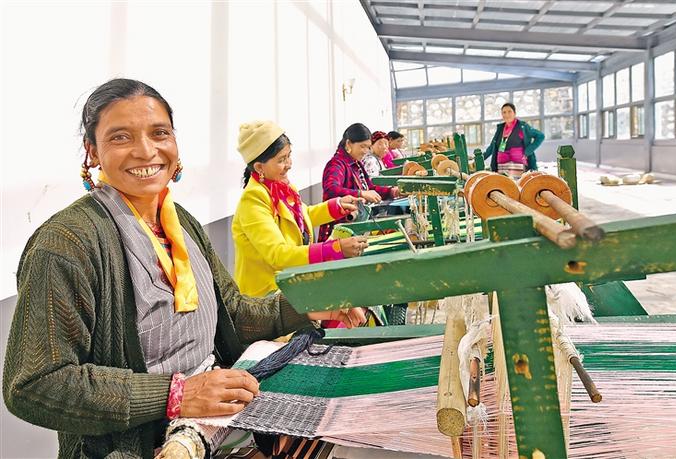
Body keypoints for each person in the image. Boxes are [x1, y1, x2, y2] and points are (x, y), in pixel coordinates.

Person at [2, 78, 365, 458]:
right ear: (92, 152)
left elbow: (231, 313)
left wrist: (308, 306)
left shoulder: (182, 223)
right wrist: (176, 395)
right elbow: (35, 383)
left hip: (218, 425)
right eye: (121, 137)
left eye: (159, 133)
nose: (146, 151)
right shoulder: (67, 244)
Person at [232, 120, 368, 298]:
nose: (289, 164)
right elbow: (278, 255)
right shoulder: (253, 200)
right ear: (259, 167)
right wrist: (335, 249)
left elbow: (303, 217)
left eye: (289, 156)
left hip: (291, 281)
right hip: (267, 296)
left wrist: (337, 206)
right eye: (281, 160)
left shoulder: (283, 188)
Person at [318, 123, 398, 242]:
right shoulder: (336, 164)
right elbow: (331, 189)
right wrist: (361, 193)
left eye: (368, 147)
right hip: (340, 231)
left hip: (356, 226)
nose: (366, 151)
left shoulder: (356, 163)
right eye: (362, 146)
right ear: (348, 144)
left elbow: (370, 188)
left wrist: (393, 192)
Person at [483, 102, 545, 172]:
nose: (507, 114)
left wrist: (527, 151)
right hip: (501, 167)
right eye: (504, 112)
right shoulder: (500, 128)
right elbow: (492, 146)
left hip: (519, 167)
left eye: (509, 111)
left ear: (514, 113)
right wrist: (482, 158)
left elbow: (540, 136)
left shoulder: (522, 126)